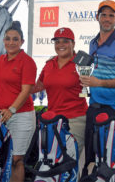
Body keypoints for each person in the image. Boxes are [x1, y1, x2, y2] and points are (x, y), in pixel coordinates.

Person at [79, 0, 115, 176]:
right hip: (93, 108)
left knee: (108, 163)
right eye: (104, 15)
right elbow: (97, 73)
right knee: (90, 160)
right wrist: (87, 81)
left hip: (112, 111)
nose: (107, 19)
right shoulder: (93, 43)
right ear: (97, 17)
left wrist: (98, 83)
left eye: (111, 15)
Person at [33, 27, 88, 156]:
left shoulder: (82, 62)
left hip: (75, 119)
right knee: (53, 159)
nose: (60, 45)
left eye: (65, 41)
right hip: (53, 119)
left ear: (73, 44)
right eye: (57, 42)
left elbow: (92, 84)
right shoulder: (49, 64)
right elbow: (37, 87)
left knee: (69, 160)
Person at [0, 21, 37, 182]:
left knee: (16, 159)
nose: (11, 42)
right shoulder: (0, 60)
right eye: (8, 39)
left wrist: (11, 110)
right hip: (0, 116)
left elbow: (26, 91)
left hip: (21, 116)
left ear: (22, 42)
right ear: (4, 41)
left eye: (15, 39)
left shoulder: (27, 62)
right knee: (1, 158)